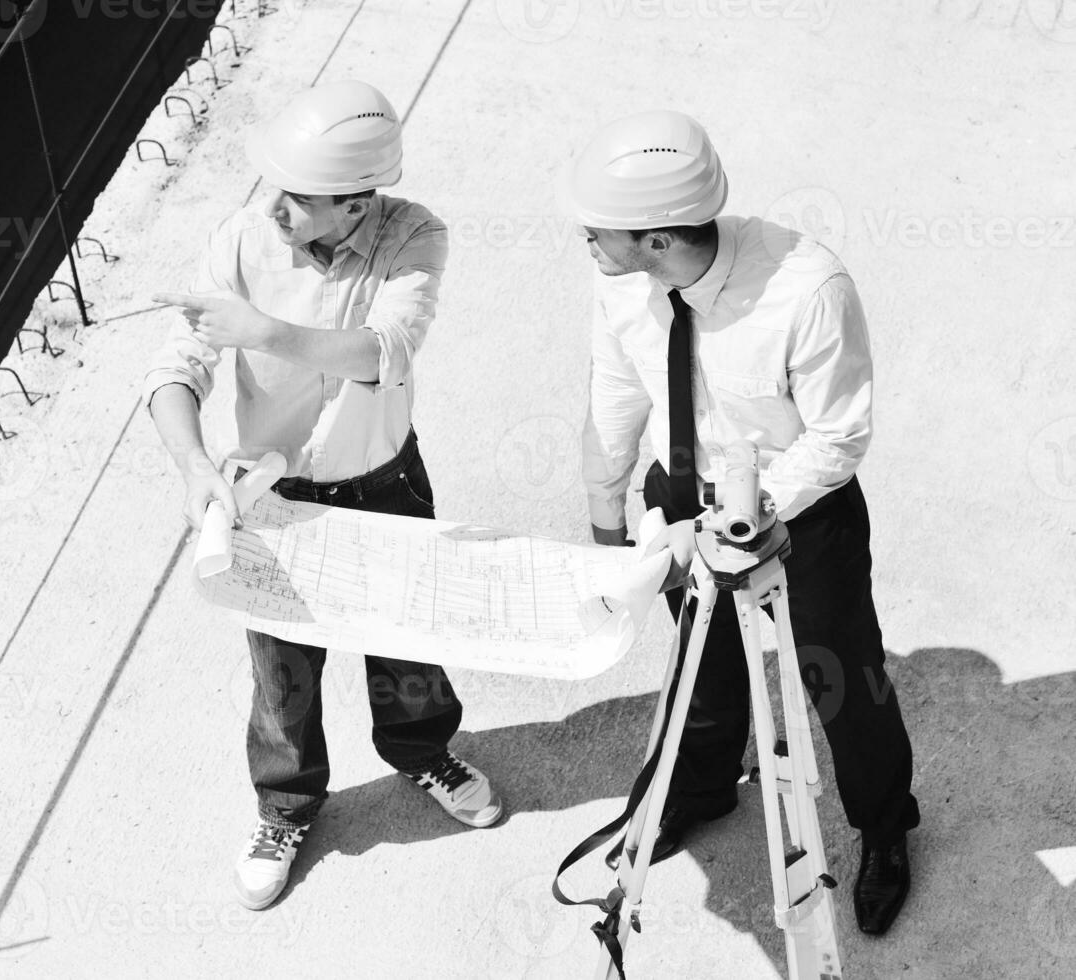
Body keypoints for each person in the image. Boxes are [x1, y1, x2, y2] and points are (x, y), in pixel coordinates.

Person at [143, 80, 503, 912]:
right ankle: (286, 805)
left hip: (383, 480)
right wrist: (194, 465)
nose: (275, 208)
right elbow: (175, 365)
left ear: (353, 205)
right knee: (280, 669)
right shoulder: (240, 237)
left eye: (297, 199)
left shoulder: (415, 235)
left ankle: (422, 752)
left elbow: (385, 350)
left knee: (407, 635)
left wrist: (263, 331)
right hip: (271, 492)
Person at [560, 109, 920, 935]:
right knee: (703, 659)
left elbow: (839, 433)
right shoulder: (618, 279)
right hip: (682, 498)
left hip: (799, 511)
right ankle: (698, 791)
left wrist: (752, 511)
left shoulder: (808, 290)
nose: (585, 243)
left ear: (656, 238)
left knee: (842, 680)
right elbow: (618, 389)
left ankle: (885, 825)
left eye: (597, 232)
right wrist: (606, 514)